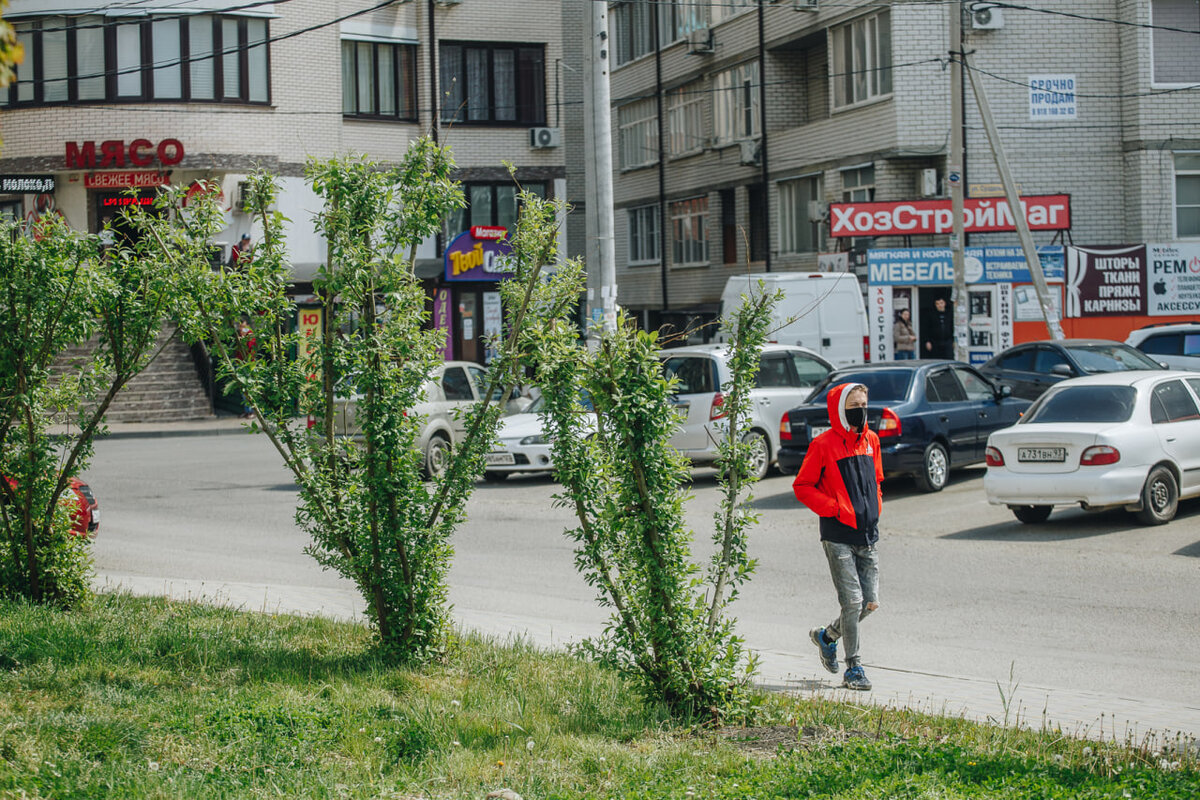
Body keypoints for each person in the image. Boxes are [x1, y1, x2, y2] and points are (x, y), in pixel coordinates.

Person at [792, 382, 883, 691]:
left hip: (868, 535)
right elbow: (802, 486)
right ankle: (854, 668)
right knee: (852, 602)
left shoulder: (871, 440)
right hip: (838, 535)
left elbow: (877, 479)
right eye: (854, 407)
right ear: (839, 411)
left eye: (864, 405)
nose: (861, 412)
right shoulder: (823, 445)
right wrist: (834, 508)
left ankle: (827, 636)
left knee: (869, 603)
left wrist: (876, 506)